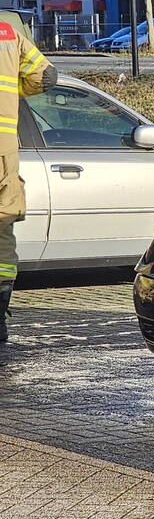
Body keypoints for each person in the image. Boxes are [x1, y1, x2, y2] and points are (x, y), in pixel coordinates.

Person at [0, 17, 56, 342]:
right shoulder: (8, 30)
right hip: (3, 148)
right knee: (2, 224)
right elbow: (47, 76)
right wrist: (13, 92)